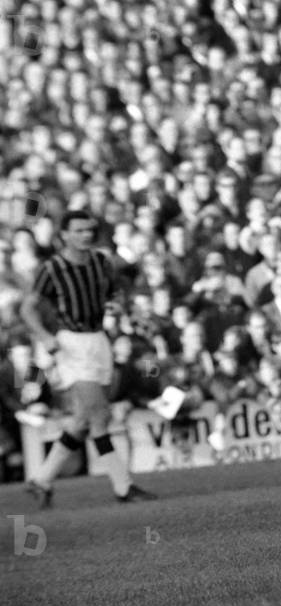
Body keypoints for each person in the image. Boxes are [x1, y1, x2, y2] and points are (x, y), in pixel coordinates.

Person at [20, 210, 156, 507]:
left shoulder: (100, 262)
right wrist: (44, 337)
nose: (86, 235)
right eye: (79, 230)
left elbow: (115, 291)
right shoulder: (52, 267)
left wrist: (116, 305)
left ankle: (41, 480)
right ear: (64, 235)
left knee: (82, 421)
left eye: (89, 230)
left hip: (99, 341)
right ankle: (124, 487)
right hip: (71, 345)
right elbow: (28, 308)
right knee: (99, 416)